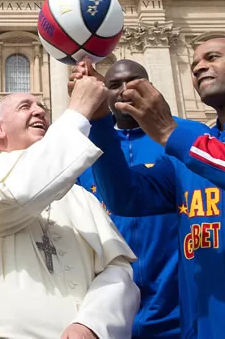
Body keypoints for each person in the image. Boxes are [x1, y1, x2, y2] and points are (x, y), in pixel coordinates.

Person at [75, 38, 225, 337]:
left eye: (212, 57)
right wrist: (99, 122)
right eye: (194, 63)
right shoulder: (189, 153)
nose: (199, 67)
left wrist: (172, 133)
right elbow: (126, 197)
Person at [0, 76, 140, 339]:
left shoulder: (81, 197)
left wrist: (92, 323)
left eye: (42, 108)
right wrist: (79, 109)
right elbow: (21, 193)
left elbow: (118, 269)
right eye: (25, 107)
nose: (39, 111)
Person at [76, 60, 180, 339]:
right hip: (102, 312)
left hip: (177, 307)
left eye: (133, 82)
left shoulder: (183, 140)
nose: (124, 91)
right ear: (103, 93)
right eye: (113, 85)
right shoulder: (83, 147)